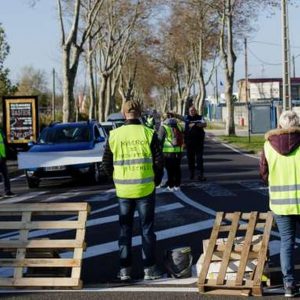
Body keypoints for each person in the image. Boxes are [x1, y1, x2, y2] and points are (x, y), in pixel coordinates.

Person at [102, 100, 164, 281]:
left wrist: (115, 180)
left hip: (123, 190)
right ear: (141, 112)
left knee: (124, 230)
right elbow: (159, 162)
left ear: (123, 114)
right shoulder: (148, 133)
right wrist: (156, 181)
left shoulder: (114, 135)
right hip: (145, 188)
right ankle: (149, 269)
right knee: (147, 230)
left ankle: (124, 270)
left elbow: (105, 163)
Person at [260, 110, 300, 298]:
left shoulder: (268, 146)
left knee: (286, 243)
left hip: (280, 204)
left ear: (279, 125)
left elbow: (263, 174)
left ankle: (289, 286)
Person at [158, 112, 183, 191]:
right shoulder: (179, 126)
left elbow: (160, 140)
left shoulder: (163, 127)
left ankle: (171, 186)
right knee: (177, 168)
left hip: (168, 152)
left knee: (169, 169)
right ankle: (177, 185)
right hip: (178, 151)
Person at [184, 105, 207, 181]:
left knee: (199, 159)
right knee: (190, 159)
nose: (192, 112)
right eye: (191, 111)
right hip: (189, 143)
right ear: (189, 111)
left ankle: (200, 174)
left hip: (198, 142)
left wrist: (196, 124)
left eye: (193, 110)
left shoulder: (200, 117)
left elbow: (204, 124)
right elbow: (180, 117)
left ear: (196, 111)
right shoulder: (186, 118)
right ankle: (192, 173)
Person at [0, 129, 15, 198]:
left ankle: (7, 191)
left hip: (3, 157)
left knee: (6, 175)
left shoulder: (1, 131)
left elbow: (3, 144)